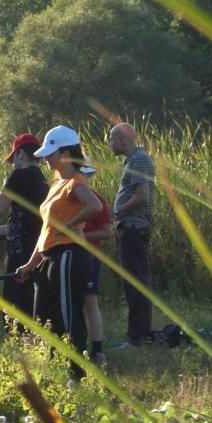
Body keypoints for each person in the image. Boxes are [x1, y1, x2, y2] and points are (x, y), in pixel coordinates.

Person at [16, 126, 102, 382]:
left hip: (69, 256)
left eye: (51, 153)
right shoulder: (57, 184)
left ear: (65, 154)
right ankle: (53, 371)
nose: (46, 158)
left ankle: (76, 374)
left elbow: (95, 206)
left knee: (68, 314)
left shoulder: (76, 182)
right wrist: (30, 264)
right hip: (51, 257)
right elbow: (47, 231)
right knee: (46, 316)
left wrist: (70, 224)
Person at [0, 134, 49, 325]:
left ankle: (16, 344)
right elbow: (24, 221)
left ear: (21, 154)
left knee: (13, 305)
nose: (12, 163)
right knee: (32, 302)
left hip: (19, 251)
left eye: (13, 158)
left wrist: (6, 183)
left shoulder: (18, 175)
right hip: (38, 250)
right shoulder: (43, 181)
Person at [110, 122, 155, 346]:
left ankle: (138, 337)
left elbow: (141, 196)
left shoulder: (139, 159)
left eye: (112, 139)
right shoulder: (132, 160)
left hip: (133, 227)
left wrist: (116, 210)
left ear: (121, 139)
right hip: (128, 227)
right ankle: (138, 334)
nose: (110, 144)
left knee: (135, 281)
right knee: (132, 281)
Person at [79, 166, 113, 365]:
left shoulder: (98, 200)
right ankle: (78, 347)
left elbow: (107, 232)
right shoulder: (63, 198)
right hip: (68, 257)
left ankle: (97, 351)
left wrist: (82, 237)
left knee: (90, 303)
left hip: (90, 257)